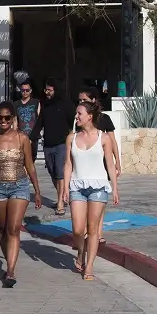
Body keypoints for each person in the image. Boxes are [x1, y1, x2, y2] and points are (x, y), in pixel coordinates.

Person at [0, 101, 42, 288]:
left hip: (19, 186)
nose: (3, 121)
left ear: (13, 118)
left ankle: (11, 270)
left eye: (7, 117)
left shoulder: (23, 138)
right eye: (0, 118)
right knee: (3, 229)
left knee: (14, 228)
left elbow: (30, 165)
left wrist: (37, 190)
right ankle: (9, 259)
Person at [62, 101, 120, 281]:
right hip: (77, 186)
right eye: (76, 113)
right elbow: (68, 164)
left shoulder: (104, 138)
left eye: (79, 114)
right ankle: (80, 252)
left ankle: (89, 266)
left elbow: (110, 165)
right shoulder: (71, 138)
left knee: (93, 229)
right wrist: (65, 188)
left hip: (99, 186)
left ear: (90, 116)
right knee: (78, 230)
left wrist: (115, 188)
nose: (76, 117)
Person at [77, 89, 122, 244]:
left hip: (102, 163)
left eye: (84, 100)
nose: (81, 103)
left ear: (93, 101)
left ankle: (98, 232)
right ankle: (83, 231)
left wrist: (118, 162)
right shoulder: (80, 120)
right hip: (85, 165)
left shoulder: (105, 119)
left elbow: (113, 141)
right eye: (80, 101)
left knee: (99, 199)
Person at [30, 80, 75, 215]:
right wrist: (31, 138)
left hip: (62, 143)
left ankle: (60, 202)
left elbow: (74, 121)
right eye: (46, 90)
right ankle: (63, 194)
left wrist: (73, 136)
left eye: (50, 90)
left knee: (60, 173)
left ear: (56, 90)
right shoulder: (45, 105)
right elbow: (39, 123)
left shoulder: (66, 104)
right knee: (52, 172)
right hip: (48, 144)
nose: (47, 93)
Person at [15, 80, 40, 162]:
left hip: (33, 136)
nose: (25, 92)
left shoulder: (36, 102)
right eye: (23, 90)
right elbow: (15, 121)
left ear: (31, 90)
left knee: (32, 158)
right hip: (21, 136)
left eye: (27, 90)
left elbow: (39, 119)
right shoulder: (16, 104)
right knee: (22, 158)